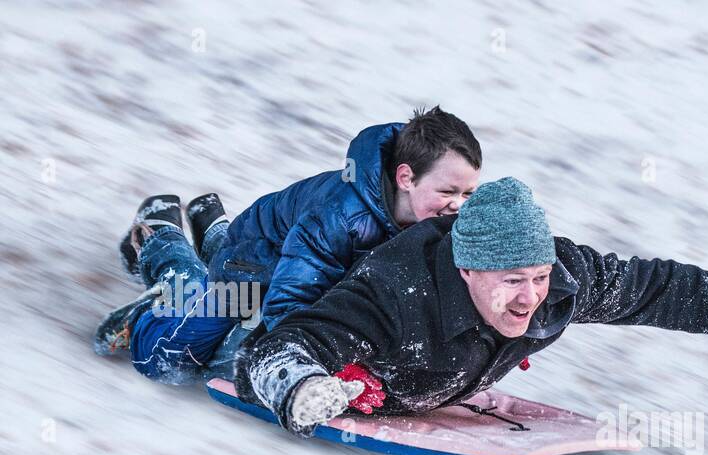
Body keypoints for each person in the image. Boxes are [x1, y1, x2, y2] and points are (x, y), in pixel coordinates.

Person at [235, 177, 708, 436]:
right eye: (514, 280)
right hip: (268, 305)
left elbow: (662, 288)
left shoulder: (561, 282)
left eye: (538, 276)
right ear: (467, 268)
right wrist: (298, 388)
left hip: (407, 368)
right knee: (213, 297)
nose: (531, 296)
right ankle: (166, 241)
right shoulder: (395, 296)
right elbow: (283, 347)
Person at [94, 107, 482, 383]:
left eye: (468, 193)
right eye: (448, 191)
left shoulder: (435, 216)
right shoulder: (339, 217)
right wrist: (301, 362)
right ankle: (162, 248)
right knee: (173, 361)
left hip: (300, 267)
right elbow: (293, 291)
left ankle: (209, 224)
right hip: (250, 270)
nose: (458, 205)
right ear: (405, 178)